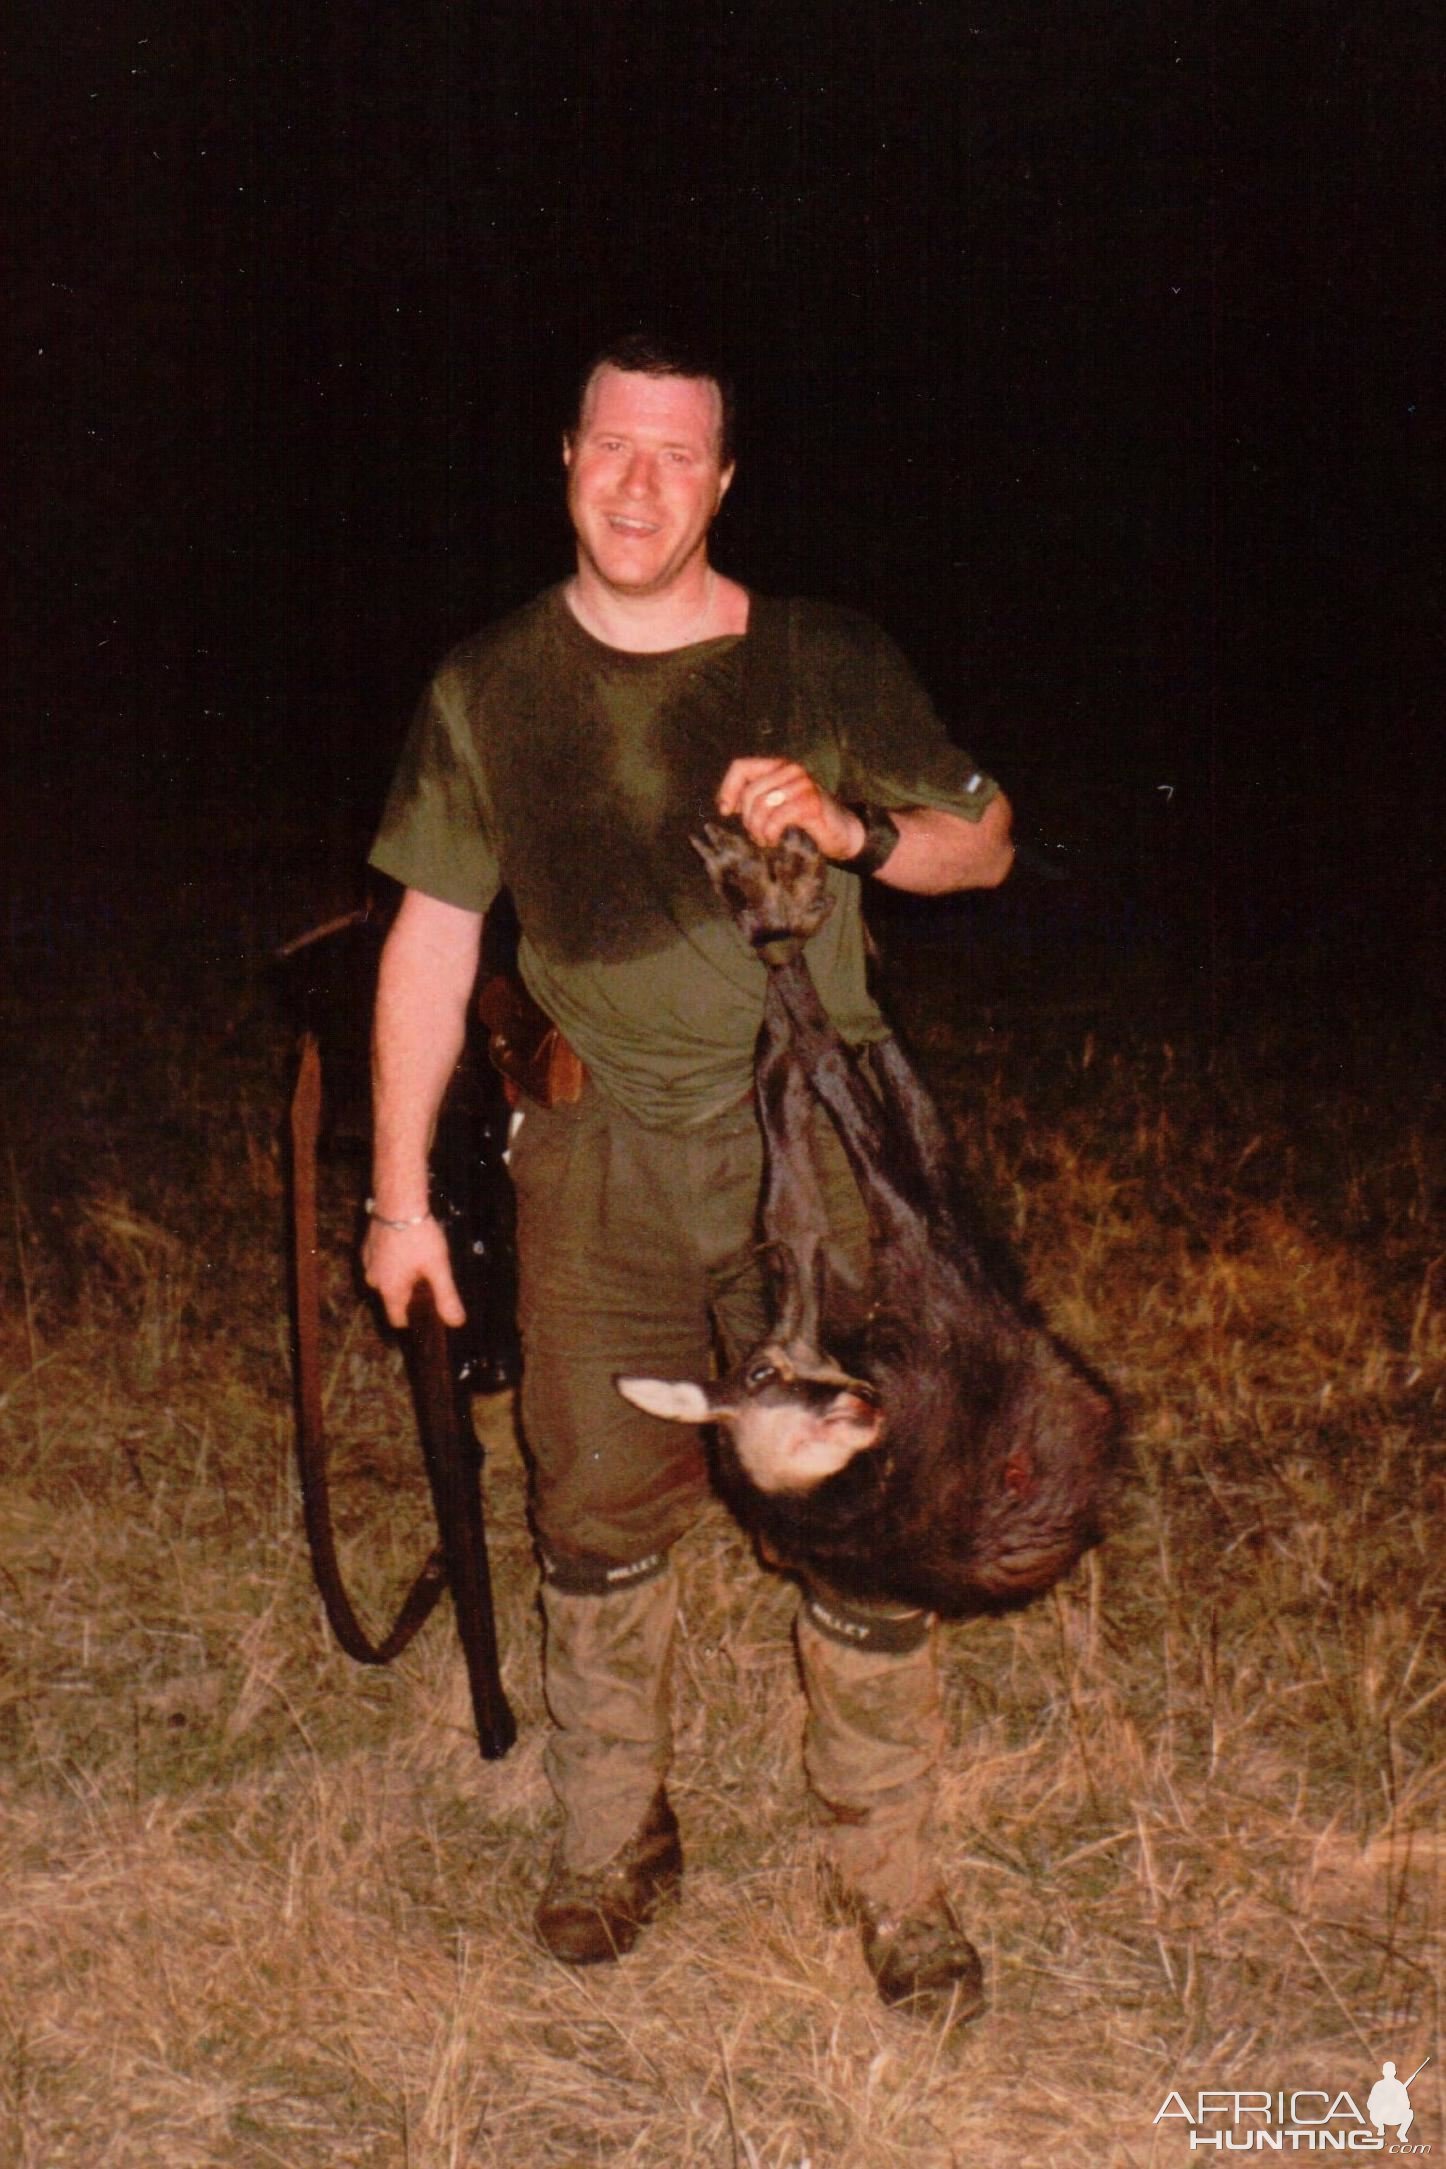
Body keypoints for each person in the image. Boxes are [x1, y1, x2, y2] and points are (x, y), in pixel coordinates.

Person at [362, 331, 1015, 2024]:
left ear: (723, 482)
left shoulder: (820, 656)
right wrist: (398, 1200)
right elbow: (430, 948)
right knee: (590, 1507)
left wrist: (859, 833)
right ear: (564, 458)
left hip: (816, 1150)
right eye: (611, 448)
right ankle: (607, 1834)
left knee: (861, 1510)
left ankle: (891, 1876)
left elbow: (982, 839)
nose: (639, 483)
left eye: (677, 456)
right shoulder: (488, 685)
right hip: (591, 1159)